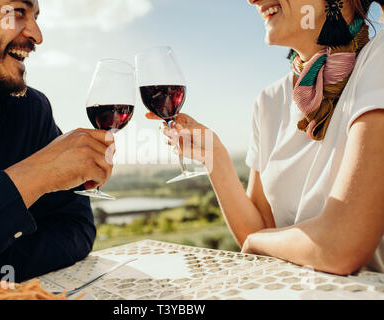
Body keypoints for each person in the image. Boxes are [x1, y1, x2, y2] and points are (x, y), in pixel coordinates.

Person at [148, 0, 384, 275]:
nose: (252, 0)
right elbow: (260, 226)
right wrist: (214, 157)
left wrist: (256, 242)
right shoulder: (269, 101)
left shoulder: (378, 60)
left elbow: (340, 246)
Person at [0, 0, 115, 299]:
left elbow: (76, 228)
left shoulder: (29, 111)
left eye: (35, 16)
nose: (37, 35)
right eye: (17, 11)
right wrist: (34, 177)